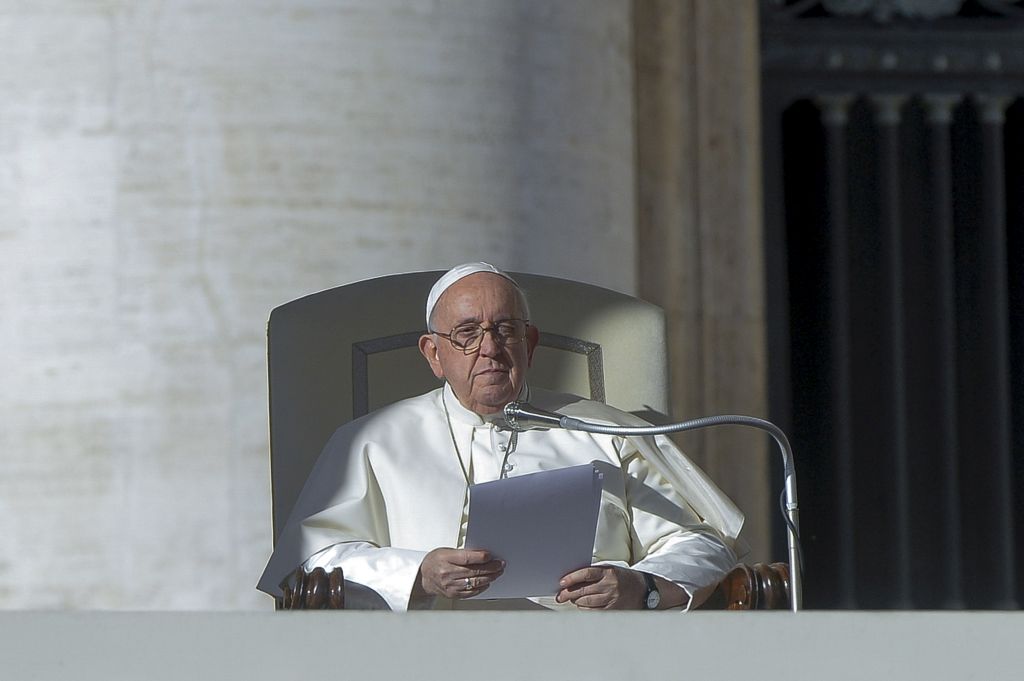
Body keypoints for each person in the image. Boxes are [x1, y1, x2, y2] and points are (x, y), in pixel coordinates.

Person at [258, 263, 744, 610]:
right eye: (466, 334)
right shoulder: (371, 441)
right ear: (433, 354)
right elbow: (312, 565)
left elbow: (701, 541)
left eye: (505, 330)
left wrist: (643, 587)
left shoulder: (606, 431)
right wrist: (418, 573)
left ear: (529, 344)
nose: (489, 349)